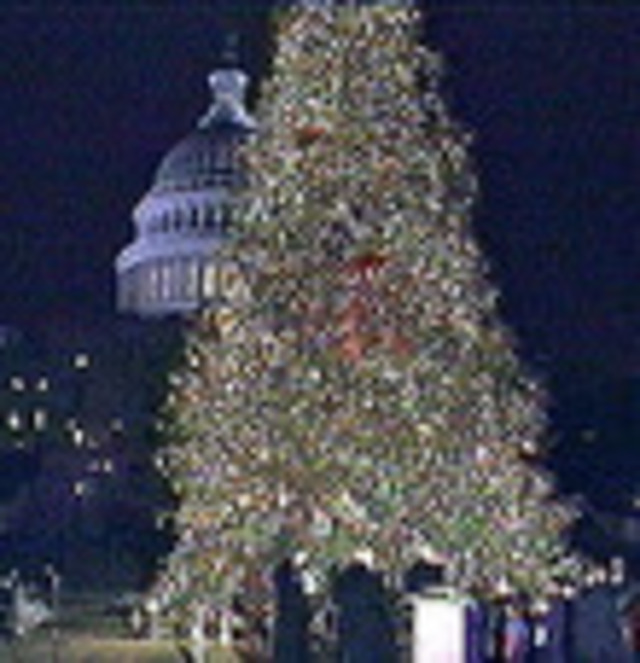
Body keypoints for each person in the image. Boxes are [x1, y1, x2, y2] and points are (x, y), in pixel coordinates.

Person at [332, 551, 399, 662]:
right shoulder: (373, 579)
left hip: (350, 626)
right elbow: (382, 603)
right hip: (372, 627)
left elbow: (336, 600)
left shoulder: (342, 579)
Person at [272, 558, 312, 662]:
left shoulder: (282, 587)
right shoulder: (295, 587)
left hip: (287, 625)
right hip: (295, 627)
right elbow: (304, 608)